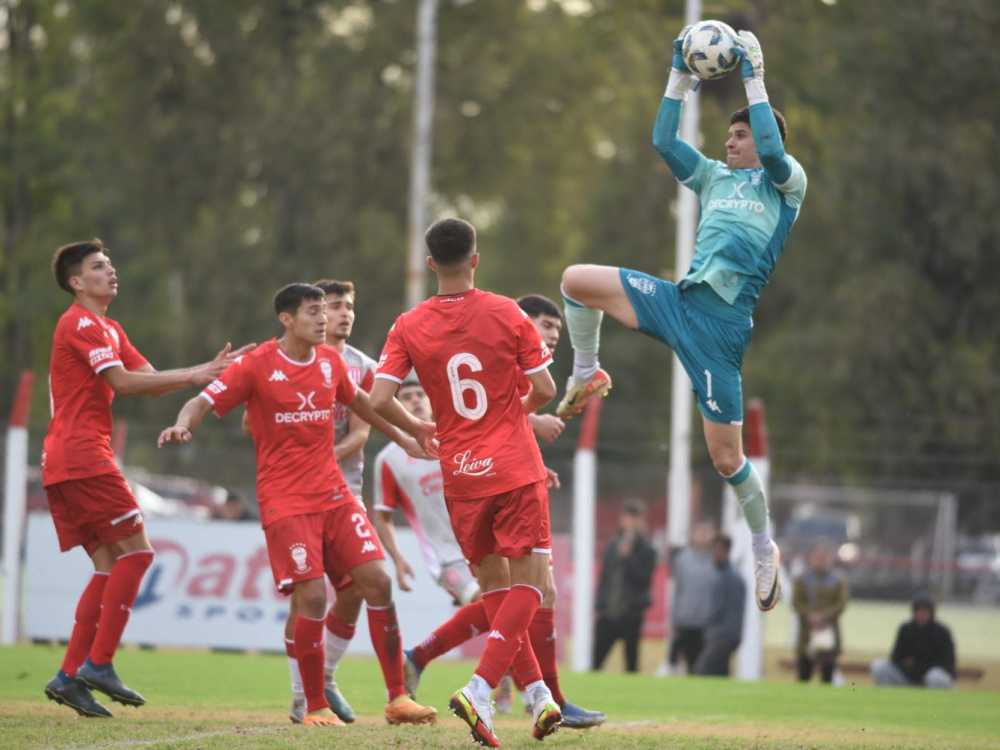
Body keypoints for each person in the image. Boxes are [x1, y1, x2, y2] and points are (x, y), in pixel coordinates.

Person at [554, 28, 807, 615]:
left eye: (738, 135)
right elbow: (664, 139)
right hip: (678, 301)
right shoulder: (715, 177)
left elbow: (772, 148)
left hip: (720, 333)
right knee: (574, 280)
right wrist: (680, 73)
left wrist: (754, 76)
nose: (730, 143)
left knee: (725, 459)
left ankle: (764, 546)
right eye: (729, 134)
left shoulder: (785, 183)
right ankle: (586, 372)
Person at [158, 282, 437, 728]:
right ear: (287, 320)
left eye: (325, 311)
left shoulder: (331, 362)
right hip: (286, 502)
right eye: (313, 312)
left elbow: (362, 402)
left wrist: (409, 433)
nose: (323, 319)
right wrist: (182, 423)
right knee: (310, 596)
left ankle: (398, 699)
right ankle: (313, 704)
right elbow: (203, 400)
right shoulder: (257, 365)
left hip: (335, 495)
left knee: (377, 582)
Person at [41, 239, 253, 718]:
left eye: (110, 263)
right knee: (137, 554)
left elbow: (150, 379)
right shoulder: (80, 323)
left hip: (64, 462)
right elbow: (125, 384)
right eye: (99, 266)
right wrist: (199, 372)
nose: (110, 271)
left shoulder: (109, 328)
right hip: (83, 458)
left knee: (107, 565)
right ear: (76, 282)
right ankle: (99, 663)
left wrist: (209, 375)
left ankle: (69, 676)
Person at [370, 217, 562, 747]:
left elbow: (380, 398)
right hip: (513, 465)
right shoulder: (507, 312)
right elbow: (544, 388)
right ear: (475, 259)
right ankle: (480, 690)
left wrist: (418, 430)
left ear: (431, 263)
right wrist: (511, 415)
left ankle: (538, 695)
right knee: (533, 586)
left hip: (458, 472)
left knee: (497, 592)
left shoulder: (407, 324)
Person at [397, 295, 605, 729]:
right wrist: (531, 421)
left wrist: (533, 453)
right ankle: (509, 689)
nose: (550, 332)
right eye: (545, 323)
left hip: (490, 476)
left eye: (556, 328)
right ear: (523, 321)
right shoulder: (506, 347)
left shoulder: (490, 344)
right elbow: (486, 415)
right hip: (499, 481)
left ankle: (541, 695)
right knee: (530, 590)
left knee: (517, 592)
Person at [372, 375, 481, 606]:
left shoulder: (459, 438)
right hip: (444, 559)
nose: (415, 401)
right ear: (397, 408)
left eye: (420, 395)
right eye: (406, 398)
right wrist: (397, 558)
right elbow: (383, 516)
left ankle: (427, 645)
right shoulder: (389, 459)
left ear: (432, 401)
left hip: (483, 548)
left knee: (502, 608)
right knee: (482, 602)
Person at [591, 499, 657, 673]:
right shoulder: (613, 545)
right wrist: (600, 604)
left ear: (642, 521)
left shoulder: (647, 549)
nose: (631, 523)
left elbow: (644, 579)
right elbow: (605, 577)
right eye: (628, 518)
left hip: (631, 614)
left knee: (631, 663)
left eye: (636, 519)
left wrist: (629, 558)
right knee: (595, 661)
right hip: (609, 612)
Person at [662, 518, 717, 675]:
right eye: (700, 531)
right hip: (685, 621)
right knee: (686, 665)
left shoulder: (716, 560)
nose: (703, 535)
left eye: (707, 532)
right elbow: (678, 591)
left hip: (707, 623)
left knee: (705, 667)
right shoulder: (682, 560)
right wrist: (674, 620)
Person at [871, 593, 956, 690]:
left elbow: (945, 663)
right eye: (919, 610)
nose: (922, 614)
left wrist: (919, 667)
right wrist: (912, 669)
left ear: (931, 612)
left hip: (931, 680)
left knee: (935, 676)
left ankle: (935, 703)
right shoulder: (906, 629)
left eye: (925, 611)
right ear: (914, 612)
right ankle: (887, 699)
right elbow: (896, 658)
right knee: (879, 666)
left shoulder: (942, 633)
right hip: (908, 678)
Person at [792, 540, 849, 683]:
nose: (821, 560)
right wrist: (809, 615)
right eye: (818, 557)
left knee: (828, 671)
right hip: (807, 631)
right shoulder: (802, 579)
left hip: (829, 630)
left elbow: (841, 603)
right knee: (804, 671)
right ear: (811, 558)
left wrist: (823, 617)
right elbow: (796, 602)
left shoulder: (837, 580)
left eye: (824, 557)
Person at [693, 534, 746, 677]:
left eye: (719, 549)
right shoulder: (720, 573)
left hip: (722, 636)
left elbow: (735, 612)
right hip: (716, 633)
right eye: (714, 549)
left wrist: (727, 637)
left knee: (702, 670)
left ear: (728, 551)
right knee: (720, 673)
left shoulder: (732, 577)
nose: (715, 553)